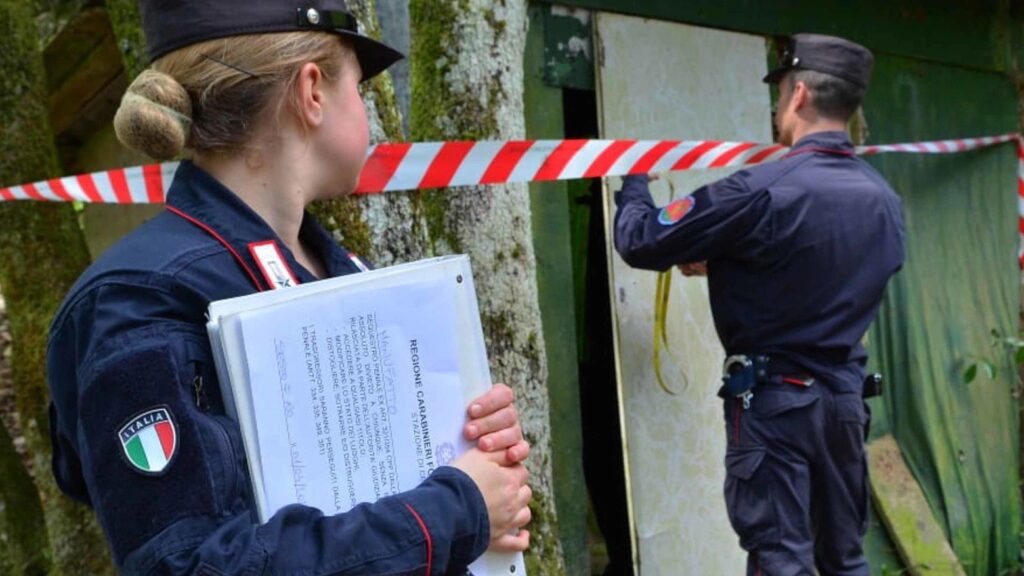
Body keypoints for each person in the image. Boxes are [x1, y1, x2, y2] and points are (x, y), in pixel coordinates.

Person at [46, 1, 532, 573]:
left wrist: (470, 451)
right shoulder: (138, 299)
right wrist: (453, 510)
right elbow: (186, 565)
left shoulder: (342, 271)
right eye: (360, 86)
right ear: (311, 92)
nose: (367, 112)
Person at [613, 34, 905, 575]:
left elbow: (643, 240)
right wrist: (730, 262)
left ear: (796, 96)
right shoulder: (884, 201)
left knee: (781, 562)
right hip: (844, 404)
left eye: (780, 95)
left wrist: (632, 179)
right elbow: (829, 273)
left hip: (777, 406)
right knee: (844, 560)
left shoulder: (760, 189)